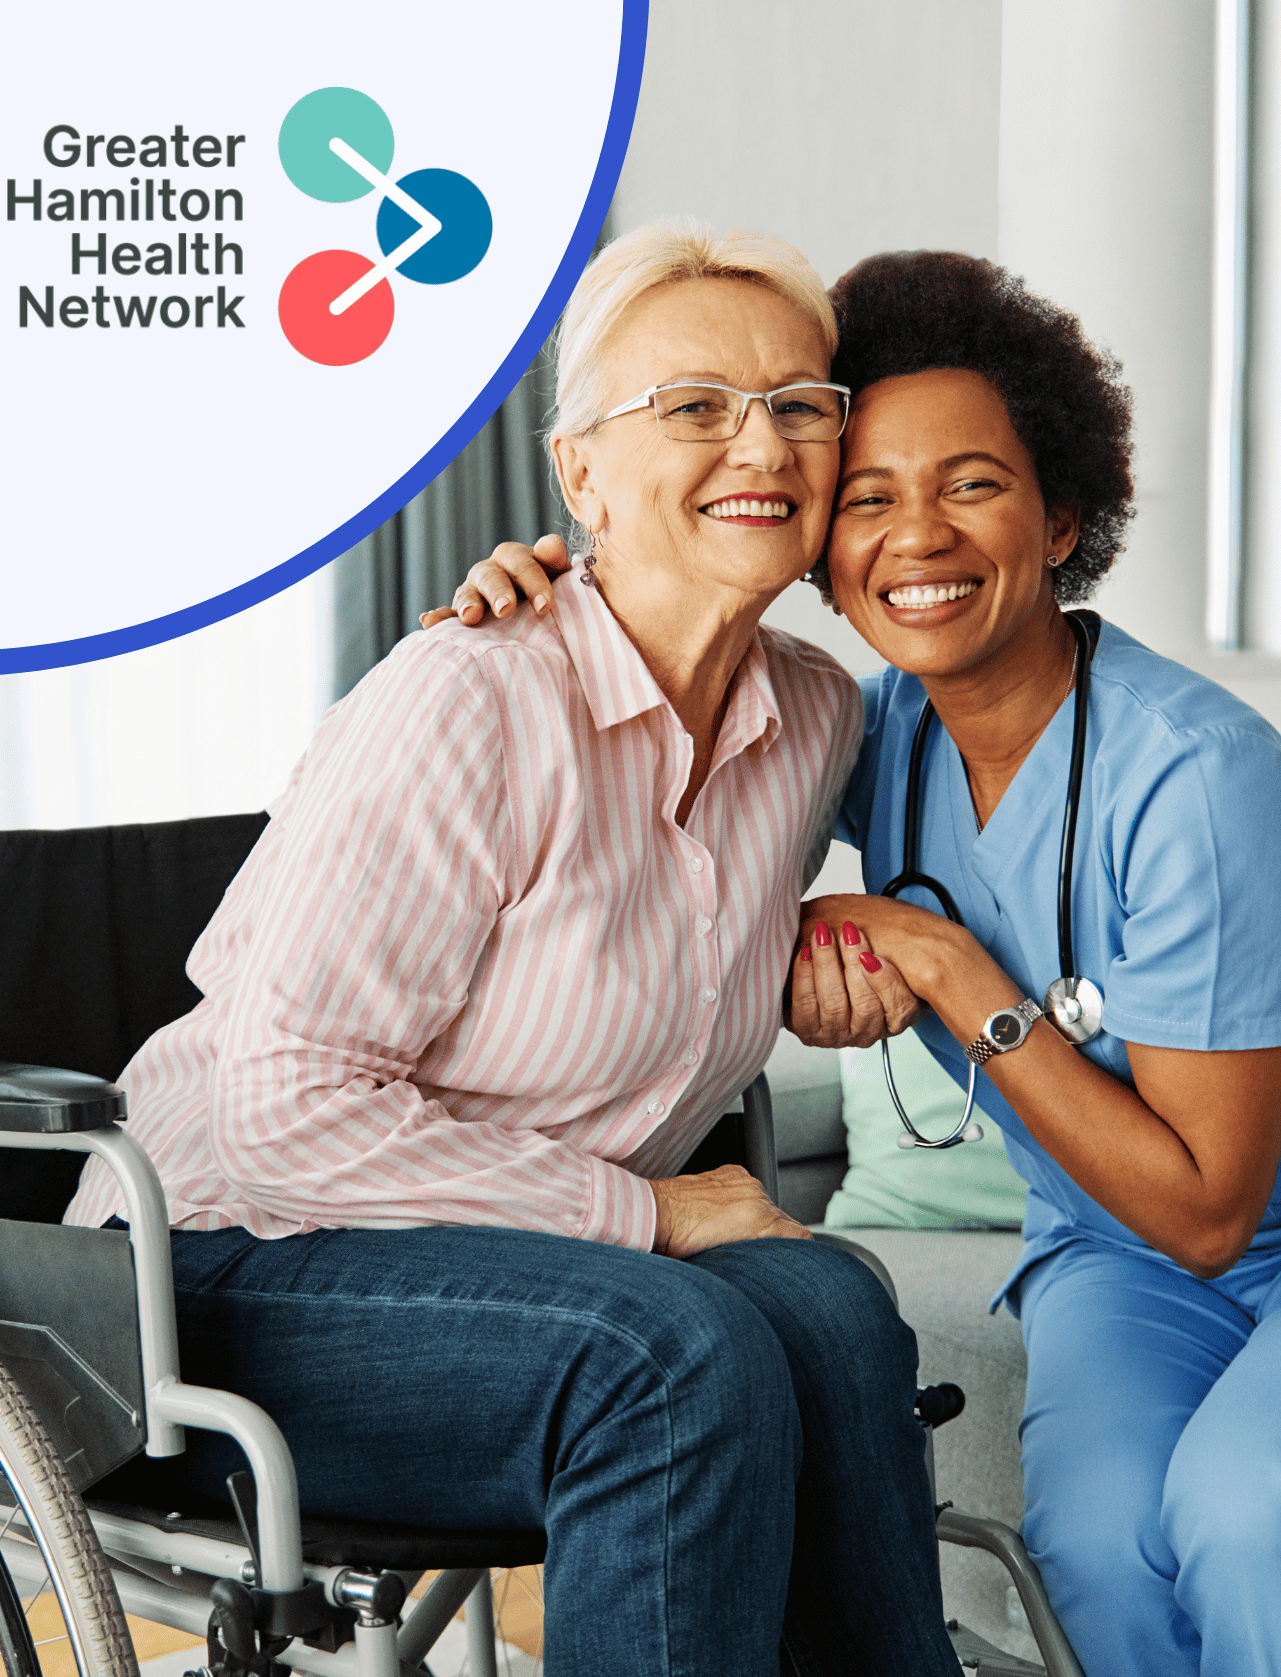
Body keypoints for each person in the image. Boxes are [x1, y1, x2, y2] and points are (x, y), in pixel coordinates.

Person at [66, 221, 961, 1677]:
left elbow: (688, 898)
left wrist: (818, 940)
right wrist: (650, 1218)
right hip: (224, 1266)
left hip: (526, 1263)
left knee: (830, 1307)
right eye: (694, 408)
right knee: (673, 1352)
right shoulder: (468, 699)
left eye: (801, 404)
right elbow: (282, 1115)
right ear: (580, 475)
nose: (766, 443)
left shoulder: (812, 720)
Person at [442, 248, 1281, 1677]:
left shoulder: (1194, 777)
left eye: (972, 484)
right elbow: (671, 770)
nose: (919, 538)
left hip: (1214, 1226)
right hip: (1105, 1250)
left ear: (1061, 510)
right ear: (821, 545)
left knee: (1237, 1526)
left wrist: (951, 971)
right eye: (869, 498)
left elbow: (1208, 1211)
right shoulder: (858, 731)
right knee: (1092, 1555)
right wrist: (553, 590)